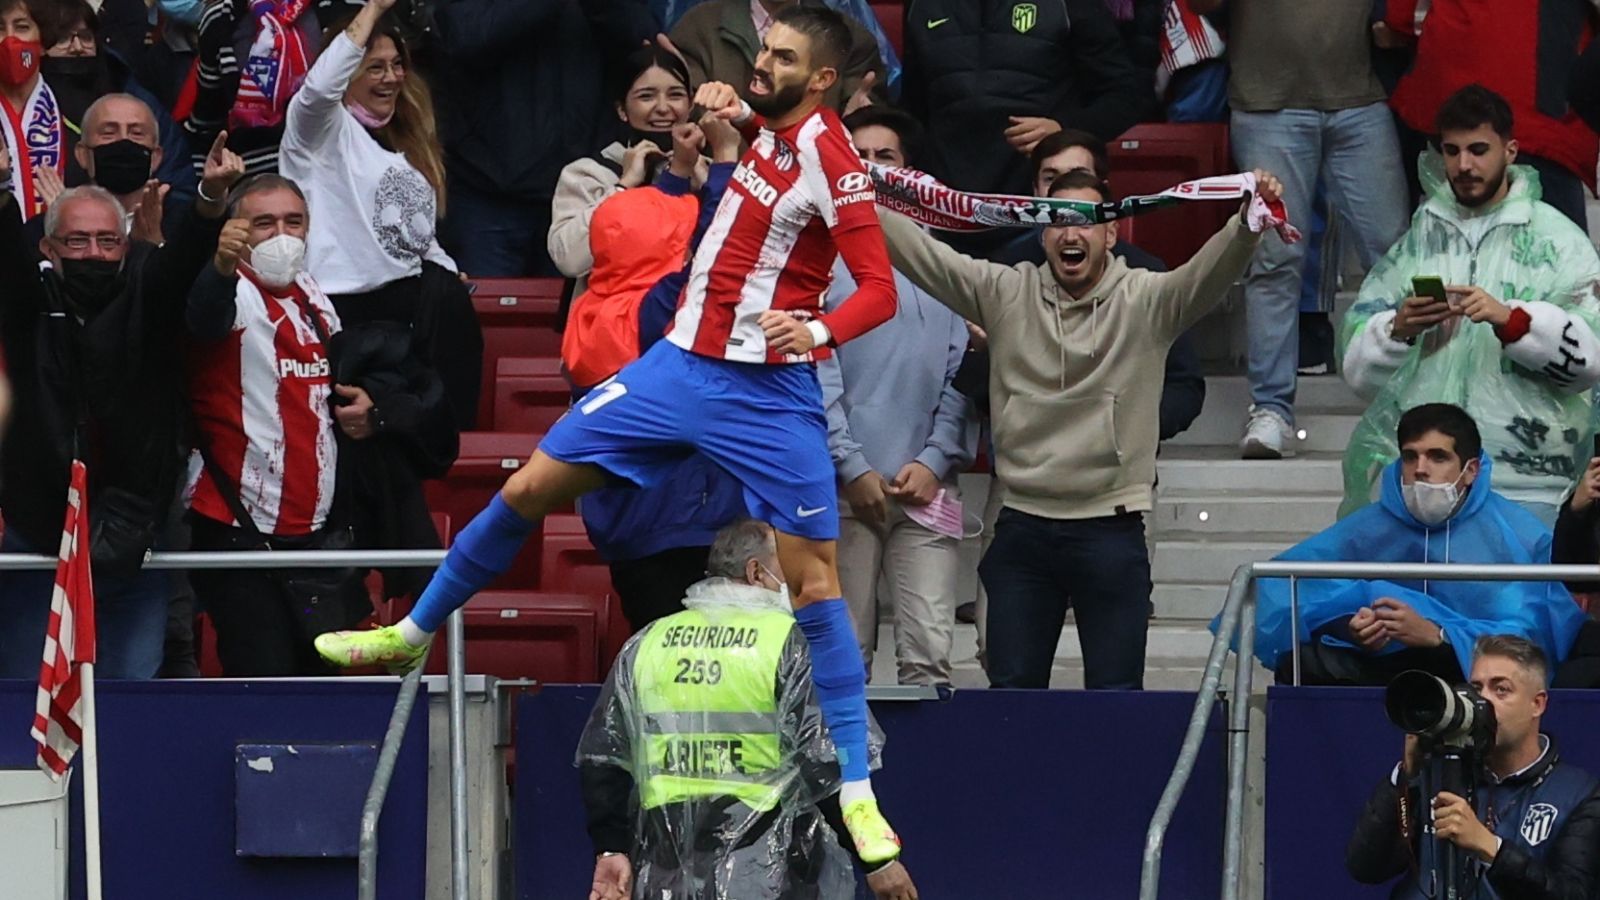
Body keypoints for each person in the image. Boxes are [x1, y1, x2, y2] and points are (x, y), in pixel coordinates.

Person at [316, 7, 904, 863]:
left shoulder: (833, 157)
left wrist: (815, 331)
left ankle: (855, 790)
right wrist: (721, 130)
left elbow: (879, 290)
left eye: (781, 57)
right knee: (526, 487)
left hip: (769, 393)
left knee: (816, 586)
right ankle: (412, 636)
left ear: (821, 80)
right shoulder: (767, 128)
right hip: (677, 368)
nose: (761, 62)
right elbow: (743, 165)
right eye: (764, 48)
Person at [874, 164, 1283, 690]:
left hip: (1112, 527)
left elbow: (1210, 272)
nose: (1071, 233)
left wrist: (1246, 224)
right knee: (1012, 695)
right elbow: (925, 256)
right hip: (1023, 525)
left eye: (1086, 221)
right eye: (1058, 220)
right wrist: (857, 192)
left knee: (1116, 699)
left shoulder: (1148, 300)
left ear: (1111, 233)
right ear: (1042, 233)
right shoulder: (1004, 291)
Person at [0, 132, 244, 680]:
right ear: (49, 248)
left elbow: (180, 262)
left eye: (107, 241)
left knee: (128, 699)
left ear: (126, 247)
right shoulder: (27, 311)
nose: (94, 253)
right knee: (23, 697)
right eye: (77, 241)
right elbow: (7, 263)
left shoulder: (148, 302)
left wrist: (209, 198)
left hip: (134, 541)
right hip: (37, 541)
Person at [577, 519, 918, 900]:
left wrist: (610, 848)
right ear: (756, 572)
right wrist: (877, 861)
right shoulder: (791, 644)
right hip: (769, 871)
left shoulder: (647, 643)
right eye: (791, 567)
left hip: (664, 869)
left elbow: (603, 759)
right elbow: (827, 767)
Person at [1339, 85, 1600, 525]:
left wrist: (1515, 324)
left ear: (1510, 151)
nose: (1464, 165)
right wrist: (1397, 331)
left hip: (1529, 483)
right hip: (1425, 484)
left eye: (1478, 150)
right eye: (1452, 151)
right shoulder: (1417, 242)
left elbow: (1591, 365)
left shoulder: (1559, 242)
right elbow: (1358, 376)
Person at [1186, 0, 1410, 460]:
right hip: (1267, 104)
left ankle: (1415, 400)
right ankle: (1271, 408)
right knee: (1274, 259)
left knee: (1397, 257)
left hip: (1360, 99)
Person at [1239, 403, 1588, 687]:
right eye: (1410, 456)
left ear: (1471, 470)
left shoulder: (1520, 534)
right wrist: (1349, 627)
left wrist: (1439, 635)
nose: (1420, 469)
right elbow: (1289, 595)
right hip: (1383, 669)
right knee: (1303, 661)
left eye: (1438, 457)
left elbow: (1534, 637)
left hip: (1470, 677)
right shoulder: (1367, 527)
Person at [562, 116, 748, 632]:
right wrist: (725, 157)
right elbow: (719, 245)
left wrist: (678, 171)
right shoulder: (658, 310)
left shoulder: (591, 310)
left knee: (652, 652)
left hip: (627, 524)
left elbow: (633, 230)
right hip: (680, 521)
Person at [182, 173, 372, 676]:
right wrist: (220, 266)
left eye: (294, 221)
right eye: (263, 223)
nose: (281, 235)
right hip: (239, 522)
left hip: (315, 529)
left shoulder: (312, 292)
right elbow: (203, 319)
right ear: (236, 231)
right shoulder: (232, 290)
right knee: (263, 679)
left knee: (320, 682)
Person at [821, 104, 977, 686]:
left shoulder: (945, 266)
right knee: (841, 664)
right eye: (858, 157)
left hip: (926, 492)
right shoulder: (815, 263)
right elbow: (813, 372)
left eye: (885, 157)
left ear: (910, 172)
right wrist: (852, 466)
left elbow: (962, 374)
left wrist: (934, 461)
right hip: (841, 492)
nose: (872, 168)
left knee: (930, 660)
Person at [280, 0, 481, 430]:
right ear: (347, 71)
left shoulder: (406, 136)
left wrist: (445, 271)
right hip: (345, 315)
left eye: (396, 64)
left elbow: (414, 230)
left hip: (410, 316)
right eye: (375, 67)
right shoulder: (317, 132)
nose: (391, 77)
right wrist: (373, 10)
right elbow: (319, 89)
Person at [1347, 635, 1600, 900]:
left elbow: (1573, 894)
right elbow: (1365, 867)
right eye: (1476, 688)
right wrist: (1407, 776)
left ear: (1537, 704)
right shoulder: (1438, 772)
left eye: (1501, 689)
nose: (1484, 701)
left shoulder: (1579, 794)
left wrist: (1492, 849)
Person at [433, 0, 656, 277]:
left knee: (582, 303)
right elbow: (466, 34)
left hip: (584, 190)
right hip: (487, 188)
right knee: (484, 302)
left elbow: (641, 39)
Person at [1379, 0, 1598, 230]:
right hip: (1543, 99)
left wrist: (1398, 27)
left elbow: (1397, 18)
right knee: (1557, 237)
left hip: (1457, 82)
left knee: (1455, 230)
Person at [899, 0, 1151, 199]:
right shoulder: (920, 6)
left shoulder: (1070, 4)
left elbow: (1125, 96)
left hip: (1037, 201)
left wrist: (1064, 130)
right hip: (945, 202)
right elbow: (913, 109)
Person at [548, 41, 694, 298]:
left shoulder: (707, 173)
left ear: (690, 106)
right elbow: (568, 259)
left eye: (675, 95)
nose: (663, 107)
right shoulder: (588, 173)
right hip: (605, 317)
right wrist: (622, 187)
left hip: (684, 314)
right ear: (622, 110)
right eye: (646, 96)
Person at [36, 0, 196, 210]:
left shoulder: (133, 97)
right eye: (63, 39)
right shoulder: (29, 103)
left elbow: (179, 183)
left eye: (86, 37)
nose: (77, 48)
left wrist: (147, 215)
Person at [180, 0, 321, 180]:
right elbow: (207, 122)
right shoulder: (221, 17)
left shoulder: (335, 8)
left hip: (327, 178)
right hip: (251, 181)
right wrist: (207, 189)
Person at [668, 0, 882, 114]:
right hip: (719, 173)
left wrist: (859, 123)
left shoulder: (850, 38)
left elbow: (875, 139)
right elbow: (681, 115)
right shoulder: (697, 28)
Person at [0, 0, 65, 222]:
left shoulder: (77, 110)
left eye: (22, 27)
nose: (10, 39)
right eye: (0, 28)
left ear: (43, 42)